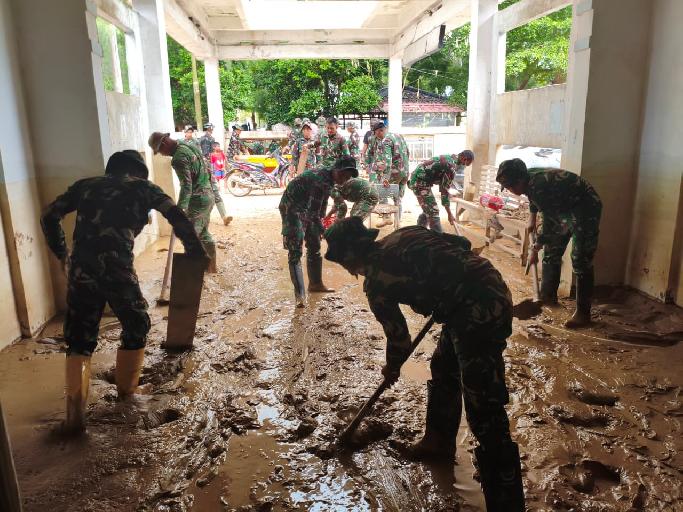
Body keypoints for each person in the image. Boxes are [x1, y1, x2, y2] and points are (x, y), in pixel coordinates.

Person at [324, 218, 525, 511]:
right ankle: (437, 443)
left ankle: (507, 502)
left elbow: (399, 340)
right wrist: (445, 283)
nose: (345, 267)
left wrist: (392, 368)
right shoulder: (405, 233)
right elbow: (462, 244)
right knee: (444, 368)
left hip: (478, 309)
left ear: (350, 257)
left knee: (483, 403)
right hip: (482, 290)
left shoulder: (376, 283)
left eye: (342, 261)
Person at [40, 150, 207, 433]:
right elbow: (176, 215)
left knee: (79, 337)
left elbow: (48, 216)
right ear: (138, 172)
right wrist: (195, 251)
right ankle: (128, 392)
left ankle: (75, 414)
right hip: (117, 270)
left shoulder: (85, 186)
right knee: (136, 323)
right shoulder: (143, 187)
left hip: (81, 272)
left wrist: (61, 253)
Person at [496, 159, 602, 328]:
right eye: (507, 187)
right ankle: (547, 297)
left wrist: (534, 249)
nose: (511, 190)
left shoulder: (539, 185)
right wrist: (531, 218)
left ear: (521, 179)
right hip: (563, 207)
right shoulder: (529, 180)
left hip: (585, 206)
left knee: (580, 258)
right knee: (552, 251)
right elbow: (533, 198)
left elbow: (549, 224)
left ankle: (583, 314)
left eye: (511, 186)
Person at [279, 155, 358, 307]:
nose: (345, 179)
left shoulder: (330, 180)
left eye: (348, 177)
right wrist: (324, 230)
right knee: (295, 249)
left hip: (307, 207)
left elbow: (321, 204)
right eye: (343, 175)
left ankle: (315, 284)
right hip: (292, 207)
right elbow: (313, 213)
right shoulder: (319, 179)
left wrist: (320, 225)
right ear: (336, 169)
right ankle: (300, 296)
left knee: (314, 243)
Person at [148, 132, 223, 269]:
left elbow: (186, 186)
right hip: (208, 196)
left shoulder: (178, 158)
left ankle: (193, 273)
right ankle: (211, 267)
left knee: (190, 237)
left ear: (164, 144)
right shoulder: (188, 144)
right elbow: (207, 169)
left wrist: (178, 210)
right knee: (203, 233)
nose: (162, 155)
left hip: (198, 200)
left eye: (160, 151)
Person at [408, 151, 475, 233]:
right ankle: (438, 237)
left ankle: (419, 232)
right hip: (419, 182)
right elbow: (444, 191)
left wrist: (447, 192)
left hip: (419, 179)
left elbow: (443, 184)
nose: (464, 166)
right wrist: (449, 214)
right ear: (464, 159)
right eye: (466, 164)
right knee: (433, 211)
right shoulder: (451, 167)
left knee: (428, 208)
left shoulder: (451, 158)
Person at [370, 121, 410, 227]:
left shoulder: (386, 140)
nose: (376, 136)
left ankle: (386, 217)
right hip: (405, 172)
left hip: (395, 172)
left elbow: (387, 161)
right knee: (398, 198)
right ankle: (397, 223)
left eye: (376, 133)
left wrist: (385, 178)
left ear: (380, 131)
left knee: (381, 191)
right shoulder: (399, 136)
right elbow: (408, 152)